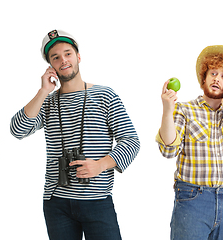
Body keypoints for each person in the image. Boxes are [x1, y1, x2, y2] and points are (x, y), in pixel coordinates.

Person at [9, 30, 140, 240]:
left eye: (68, 53)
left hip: (97, 199)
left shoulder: (105, 95)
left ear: (78, 57)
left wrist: (101, 164)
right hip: (56, 201)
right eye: (56, 57)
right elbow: (17, 130)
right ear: (50, 65)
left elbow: (131, 141)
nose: (63, 60)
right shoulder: (48, 102)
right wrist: (43, 91)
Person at [157, 45, 223, 240]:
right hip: (193, 200)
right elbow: (168, 150)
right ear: (204, 77)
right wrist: (168, 110)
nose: (217, 78)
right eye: (213, 73)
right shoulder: (184, 110)